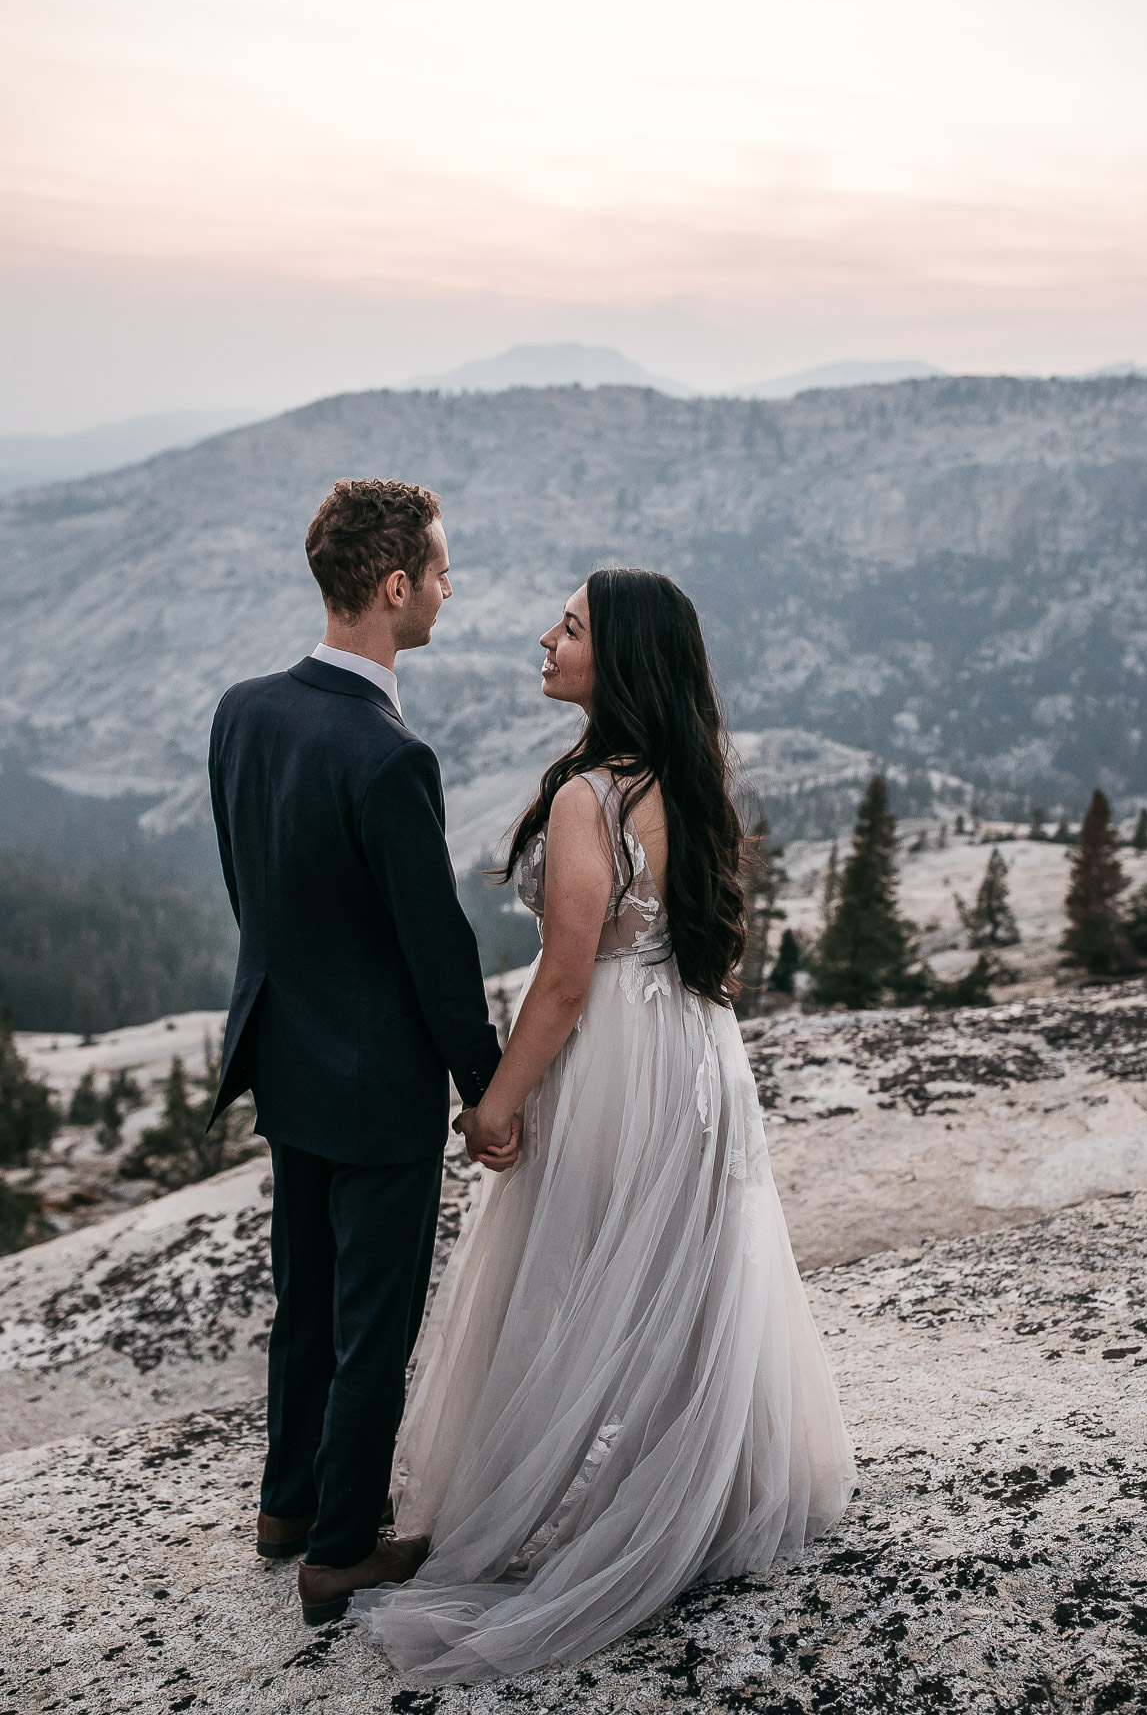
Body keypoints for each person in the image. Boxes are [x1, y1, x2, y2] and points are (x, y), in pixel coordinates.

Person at [354, 567, 856, 1683]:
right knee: (680, 1276)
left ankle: (543, 1511)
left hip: (618, 1059)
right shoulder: (686, 776)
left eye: (569, 626)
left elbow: (568, 978)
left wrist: (497, 1102)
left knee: (565, 1278)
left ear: (616, 657)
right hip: (694, 1048)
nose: (546, 636)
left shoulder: (591, 798)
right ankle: (694, 1493)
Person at [207, 478, 510, 1626]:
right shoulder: (390, 756)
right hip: (378, 1084)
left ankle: (285, 1505)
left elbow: (257, 900)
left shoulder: (244, 711)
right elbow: (435, 951)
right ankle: (339, 1549)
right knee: (372, 1320)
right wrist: (488, 1089)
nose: (449, 585)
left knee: (307, 1301)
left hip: (286, 1061)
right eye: (439, 569)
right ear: (394, 588)